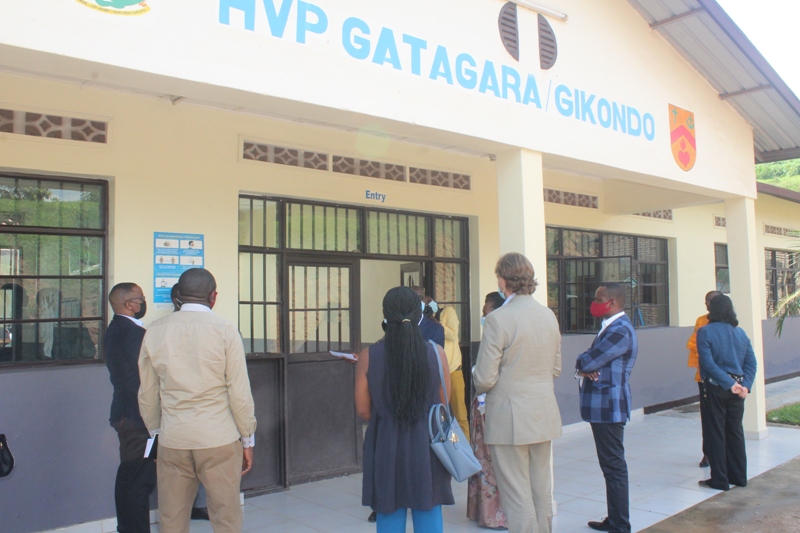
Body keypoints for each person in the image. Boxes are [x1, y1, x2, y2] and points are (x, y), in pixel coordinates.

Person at [138, 268, 256, 533]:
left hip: (173, 438)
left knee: (172, 516)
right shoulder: (225, 330)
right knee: (226, 515)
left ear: (179, 295)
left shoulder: (155, 331)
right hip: (218, 438)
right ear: (213, 296)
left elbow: (147, 393)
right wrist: (247, 439)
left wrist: (157, 433)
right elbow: (239, 393)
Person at [474, 253, 562, 533]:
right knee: (541, 490)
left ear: (503, 280)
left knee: (516, 495)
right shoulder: (548, 315)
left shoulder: (498, 319)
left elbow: (484, 378)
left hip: (508, 418)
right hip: (543, 413)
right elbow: (556, 368)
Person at [356, 286, 454, 532]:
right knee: (428, 507)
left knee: (388, 508)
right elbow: (443, 403)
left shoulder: (369, 356)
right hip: (428, 444)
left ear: (385, 315)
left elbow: (363, 410)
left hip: (385, 443)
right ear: (419, 315)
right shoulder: (436, 353)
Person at [575, 283, 637, 533]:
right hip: (603, 407)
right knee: (610, 467)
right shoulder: (609, 327)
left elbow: (587, 360)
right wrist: (584, 366)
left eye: (598, 299)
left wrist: (583, 365)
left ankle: (620, 524)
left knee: (613, 466)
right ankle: (614, 519)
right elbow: (588, 362)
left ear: (612, 302)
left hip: (609, 407)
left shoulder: (620, 330)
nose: (594, 303)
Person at [105, 282, 156, 533]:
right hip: (137, 417)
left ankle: (126, 527)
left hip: (126, 414)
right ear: (129, 304)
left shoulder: (115, 329)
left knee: (130, 475)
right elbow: (148, 375)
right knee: (138, 480)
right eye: (141, 299)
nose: (143, 303)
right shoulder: (133, 334)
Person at [696, 294, 757, 491]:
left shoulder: (705, 331)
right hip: (738, 390)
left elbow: (707, 363)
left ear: (712, 310)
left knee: (715, 433)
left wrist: (728, 383)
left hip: (717, 388)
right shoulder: (740, 333)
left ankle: (720, 479)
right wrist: (745, 386)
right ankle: (739, 476)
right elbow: (751, 363)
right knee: (735, 432)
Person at [168, 283, 210, 522]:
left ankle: (194, 507)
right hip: (201, 413)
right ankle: (197, 506)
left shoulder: (159, 329)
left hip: (178, 414)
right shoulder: (219, 328)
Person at [467, 291, 508, 529]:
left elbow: (486, 376)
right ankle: (484, 512)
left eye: (486, 312)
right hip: (484, 405)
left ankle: (496, 514)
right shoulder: (492, 333)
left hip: (491, 404)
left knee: (491, 460)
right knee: (482, 458)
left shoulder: (500, 334)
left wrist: (478, 376)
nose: (484, 317)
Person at [686, 290, 722, 469]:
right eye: (706, 302)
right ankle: (707, 453)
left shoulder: (728, 323)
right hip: (705, 377)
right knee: (707, 417)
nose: (707, 305)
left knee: (722, 417)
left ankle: (723, 453)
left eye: (710, 302)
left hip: (724, 378)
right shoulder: (702, 321)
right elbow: (695, 345)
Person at [426, 296, 469, 440]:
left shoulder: (448, 312)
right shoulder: (423, 321)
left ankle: (466, 447)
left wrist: (434, 320)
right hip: (435, 372)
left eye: (427, 301)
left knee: (460, 414)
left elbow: (453, 335)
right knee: (439, 414)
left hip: (452, 371)